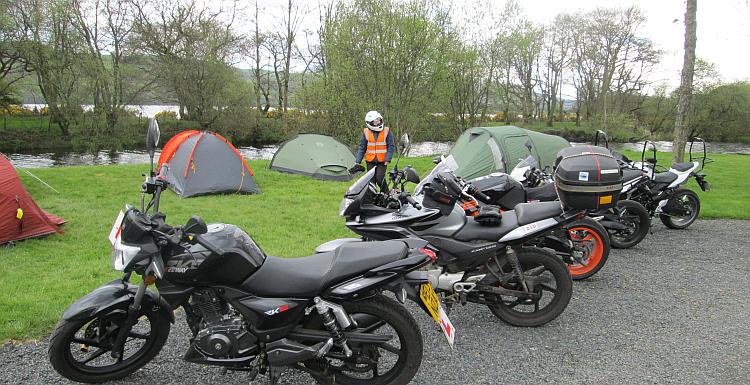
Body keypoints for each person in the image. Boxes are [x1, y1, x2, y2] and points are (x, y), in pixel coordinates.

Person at [352, 110, 396, 191]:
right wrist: (357, 161)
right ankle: (372, 199)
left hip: (382, 161)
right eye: (375, 121)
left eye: (378, 120)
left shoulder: (387, 131)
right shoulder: (365, 132)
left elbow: (391, 146)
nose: (378, 122)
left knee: (380, 179)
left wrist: (388, 159)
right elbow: (362, 147)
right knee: (371, 182)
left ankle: (386, 195)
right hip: (370, 161)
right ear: (370, 123)